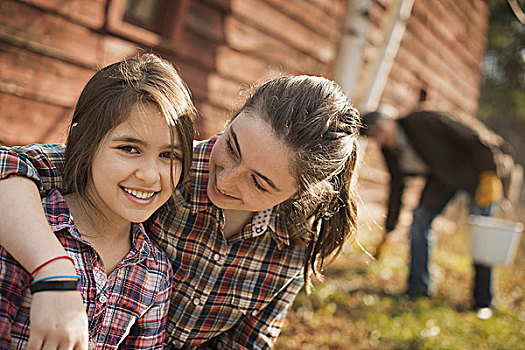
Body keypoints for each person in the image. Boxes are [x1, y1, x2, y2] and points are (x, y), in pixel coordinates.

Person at [0, 75, 361, 349]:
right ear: (234, 116)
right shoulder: (160, 166)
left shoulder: (295, 243)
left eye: (260, 183)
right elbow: (10, 166)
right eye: (232, 147)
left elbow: (244, 344)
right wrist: (55, 273)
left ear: (300, 192)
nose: (227, 179)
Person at [0, 53, 197, 349]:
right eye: (129, 148)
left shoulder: (155, 271)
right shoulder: (26, 229)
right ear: (86, 143)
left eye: (169, 155)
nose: (150, 175)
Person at [360, 109, 506, 319]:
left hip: (477, 172)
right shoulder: (390, 150)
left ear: (391, 119)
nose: (383, 138)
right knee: (420, 220)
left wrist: (489, 172)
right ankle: (418, 289)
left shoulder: (422, 121)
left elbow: (472, 136)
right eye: (376, 137)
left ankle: (483, 302)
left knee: (482, 233)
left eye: (382, 130)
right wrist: (389, 228)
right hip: (443, 180)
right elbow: (396, 188)